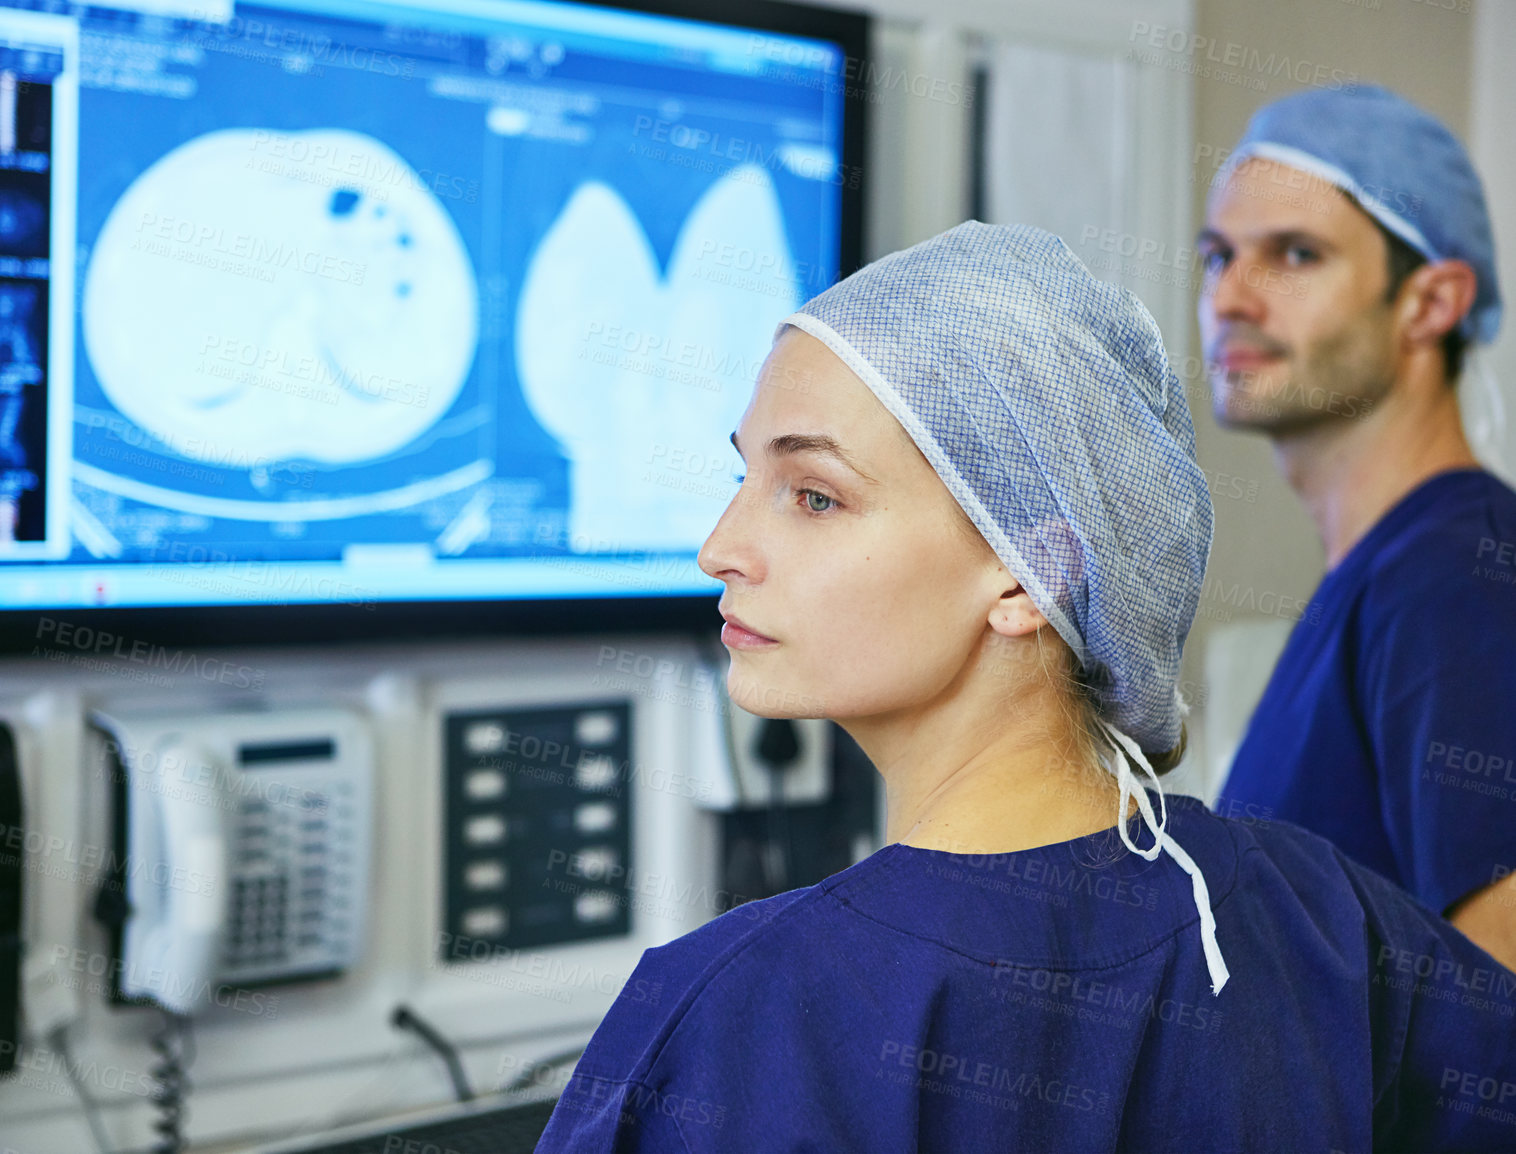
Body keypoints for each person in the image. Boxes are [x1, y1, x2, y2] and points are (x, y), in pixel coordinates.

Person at [532, 223, 1516, 1153]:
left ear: (1026, 573)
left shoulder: (740, 1014)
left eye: (815, 495)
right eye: (741, 477)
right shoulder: (1321, 917)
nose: (720, 548)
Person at [1200, 86, 1516, 971]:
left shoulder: (1459, 578)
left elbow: (1498, 1028)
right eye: (1217, 255)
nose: (1231, 296)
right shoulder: (1381, 578)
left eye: (1294, 254)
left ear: (1430, 302)